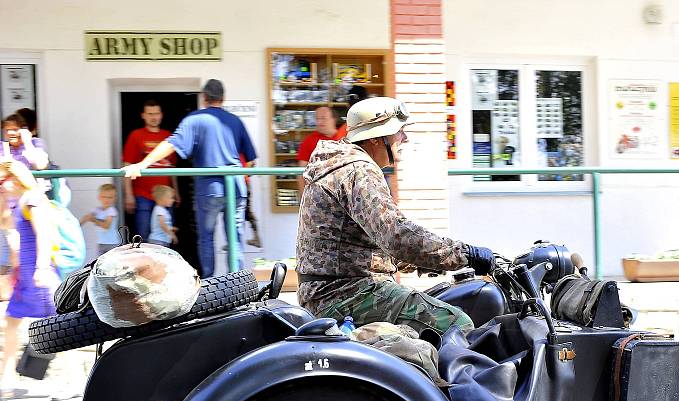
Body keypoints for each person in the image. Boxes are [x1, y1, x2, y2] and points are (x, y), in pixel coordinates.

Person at [295, 96, 496, 336]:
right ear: (376, 138)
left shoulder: (344, 165)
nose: (404, 138)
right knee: (456, 323)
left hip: (333, 290)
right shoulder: (358, 170)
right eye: (399, 131)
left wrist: (432, 262)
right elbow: (396, 235)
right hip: (346, 294)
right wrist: (465, 255)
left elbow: (372, 244)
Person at [122, 79, 257, 278]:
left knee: (206, 237)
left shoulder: (195, 119)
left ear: (204, 98)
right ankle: (236, 285)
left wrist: (142, 164)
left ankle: (209, 284)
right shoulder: (235, 120)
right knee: (235, 239)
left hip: (210, 187)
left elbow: (171, 145)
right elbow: (251, 161)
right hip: (235, 187)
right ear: (223, 98)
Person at [0, 154, 60, 401]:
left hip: (37, 274)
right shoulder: (18, 202)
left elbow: (43, 234)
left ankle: (74, 379)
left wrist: (42, 267)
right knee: (11, 325)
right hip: (25, 276)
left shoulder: (32, 199)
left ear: (14, 179)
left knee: (58, 328)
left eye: (1, 181)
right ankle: (6, 379)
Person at [121, 100, 179, 240]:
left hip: (165, 195)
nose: (154, 117)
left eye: (156, 113)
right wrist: (128, 195)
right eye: (150, 114)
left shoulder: (168, 136)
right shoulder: (136, 135)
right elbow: (127, 164)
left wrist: (176, 191)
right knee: (144, 237)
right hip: (143, 196)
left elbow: (172, 167)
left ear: (161, 115)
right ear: (143, 115)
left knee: (165, 236)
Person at [296, 106, 338, 196]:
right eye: (317, 118)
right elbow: (301, 172)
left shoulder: (344, 138)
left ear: (333, 119)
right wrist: (303, 196)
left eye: (323, 118)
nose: (319, 122)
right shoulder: (308, 141)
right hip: (318, 194)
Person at [80, 183, 119, 255]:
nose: (106, 200)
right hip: (101, 242)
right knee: (100, 263)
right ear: (99, 197)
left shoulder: (111, 210)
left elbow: (106, 226)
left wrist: (93, 219)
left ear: (114, 198)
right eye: (104, 197)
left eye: (110, 197)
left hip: (111, 244)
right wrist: (77, 226)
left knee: (111, 264)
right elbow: (86, 217)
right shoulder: (97, 210)